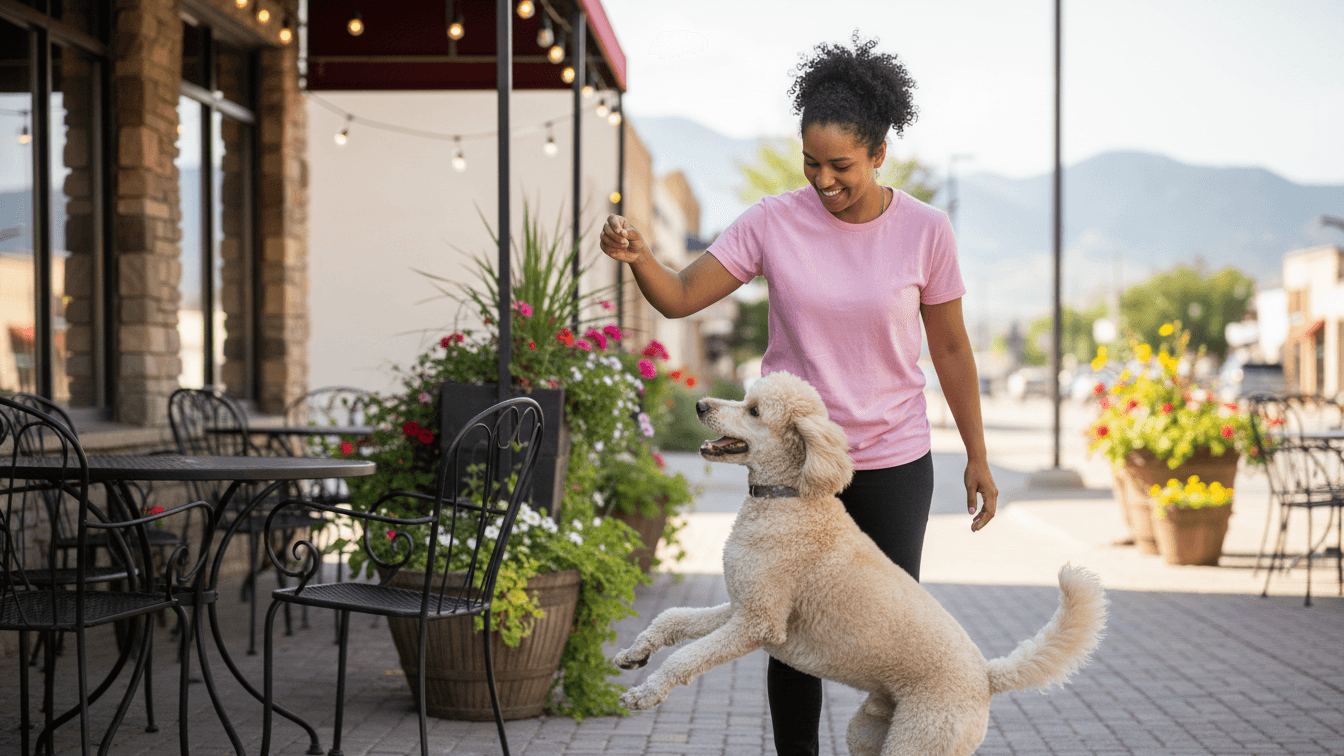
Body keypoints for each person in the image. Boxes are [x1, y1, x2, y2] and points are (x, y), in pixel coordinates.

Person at [599, 33, 998, 756]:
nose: (823, 180)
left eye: (841, 165)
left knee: (885, 637)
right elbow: (683, 297)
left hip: (891, 459)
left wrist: (977, 452)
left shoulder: (926, 231)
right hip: (790, 465)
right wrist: (639, 259)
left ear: (879, 152)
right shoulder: (771, 221)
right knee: (784, 635)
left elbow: (949, 348)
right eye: (810, 163)